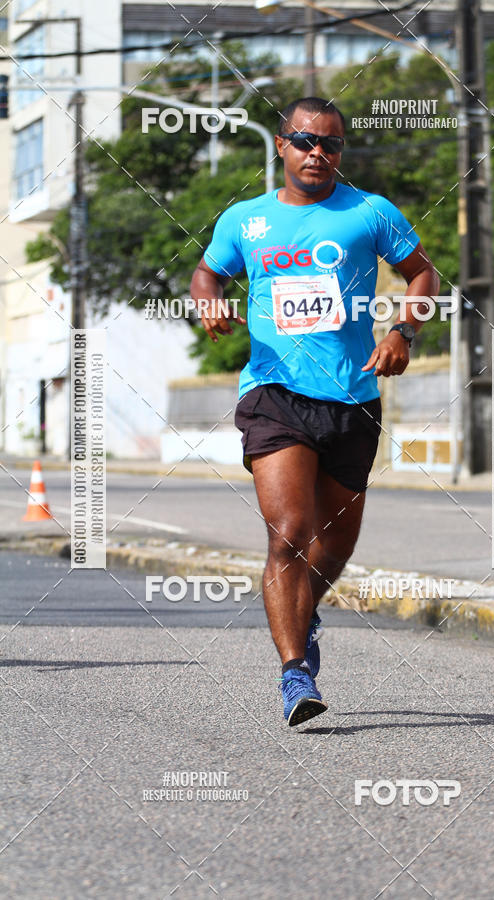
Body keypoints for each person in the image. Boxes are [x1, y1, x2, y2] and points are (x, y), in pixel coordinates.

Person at [190, 97, 440, 727]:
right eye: (304, 142)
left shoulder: (370, 213)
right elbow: (206, 273)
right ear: (281, 146)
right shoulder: (246, 220)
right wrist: (209, 303)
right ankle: (295, 672)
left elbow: (422, 275)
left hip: (353, 398)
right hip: (273, 393)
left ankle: (305, 612)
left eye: (329, 144)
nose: (317, 154)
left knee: (332, 549)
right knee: (289, 535)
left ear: (341, 152)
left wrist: (402, 334)